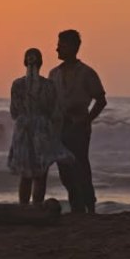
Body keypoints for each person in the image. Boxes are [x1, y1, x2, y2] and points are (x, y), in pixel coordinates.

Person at [49, 29, 107, 213]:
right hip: (59, 127)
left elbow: (101, 99)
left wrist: (87, 120)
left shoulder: (86, 73)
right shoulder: (53, 74)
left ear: (74, 47)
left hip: (78, 126)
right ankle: (77, 207)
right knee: (64, 171)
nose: (57, 49)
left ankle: (90, 207)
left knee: (81, 167)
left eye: (62, 45)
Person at [8, 48, 74, 205]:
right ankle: (30, 207)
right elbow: (52, 111)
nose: (30, 61)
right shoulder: (40, 85)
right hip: (33, 128)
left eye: (31, 58)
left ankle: (29, 208)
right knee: (33, 172)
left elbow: (14, 111)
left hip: (31, 128)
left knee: (33, 172)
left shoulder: (26, 85)